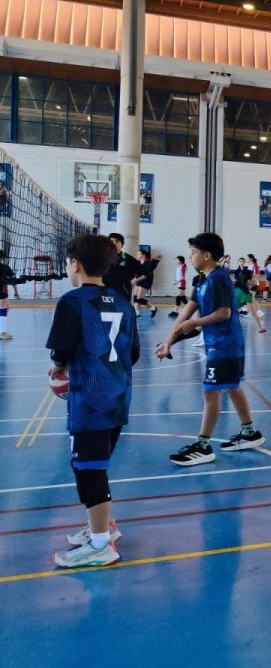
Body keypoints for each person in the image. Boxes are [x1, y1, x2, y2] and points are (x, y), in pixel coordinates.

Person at [45, 235, 139, 568]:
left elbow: (62, 351)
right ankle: (101, 528)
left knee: (89, 468)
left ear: (76, 265)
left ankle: (101, 544)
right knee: (92, 464)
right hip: (118, 399)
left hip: (90, 401)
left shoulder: (72, 302)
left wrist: (58, 369)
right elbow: (135, 353)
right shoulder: (124, 303)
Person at [155, 232, 265, 466]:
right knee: (232, 387)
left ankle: (203, 446)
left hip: (226, 345)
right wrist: (168, 341)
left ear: (207, 255)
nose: (190, 256)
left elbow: (223, 313)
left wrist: (195, 323)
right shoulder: (202, 281)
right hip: (219, 344)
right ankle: (249, 432)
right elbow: (186, 312)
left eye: (193, 253)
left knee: (210, 392)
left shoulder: (218, 279)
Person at [102, 232, 142, 303]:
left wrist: (131, 278)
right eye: (111, 241)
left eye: (117, 241)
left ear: (122, 244)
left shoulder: (127, 258)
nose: (114, 243)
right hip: (105, 291)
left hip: (123, 292)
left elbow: (141, 270)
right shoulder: (102, 257)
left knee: (123, 312)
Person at [131, 249, 161, 318]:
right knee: (135, 298)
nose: (137, 255)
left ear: (143, 255)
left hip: (145, 282)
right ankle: (137, 313)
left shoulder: (149, 263)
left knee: (140, 298)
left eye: (139, 254)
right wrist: (134, 280)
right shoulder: (139, 263)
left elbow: (146, 275)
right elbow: (137, 274)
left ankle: (153, 308)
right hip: (138, 281)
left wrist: (135, 280)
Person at [0, 248, 19, 340]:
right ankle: (2, 332)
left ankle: (2, 331)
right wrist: (16, 292)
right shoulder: (5, 267)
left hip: (2, 290)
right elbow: (13, 281)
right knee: (4, 308)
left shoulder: (5, 267)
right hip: (2, 289)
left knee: (5, 307)